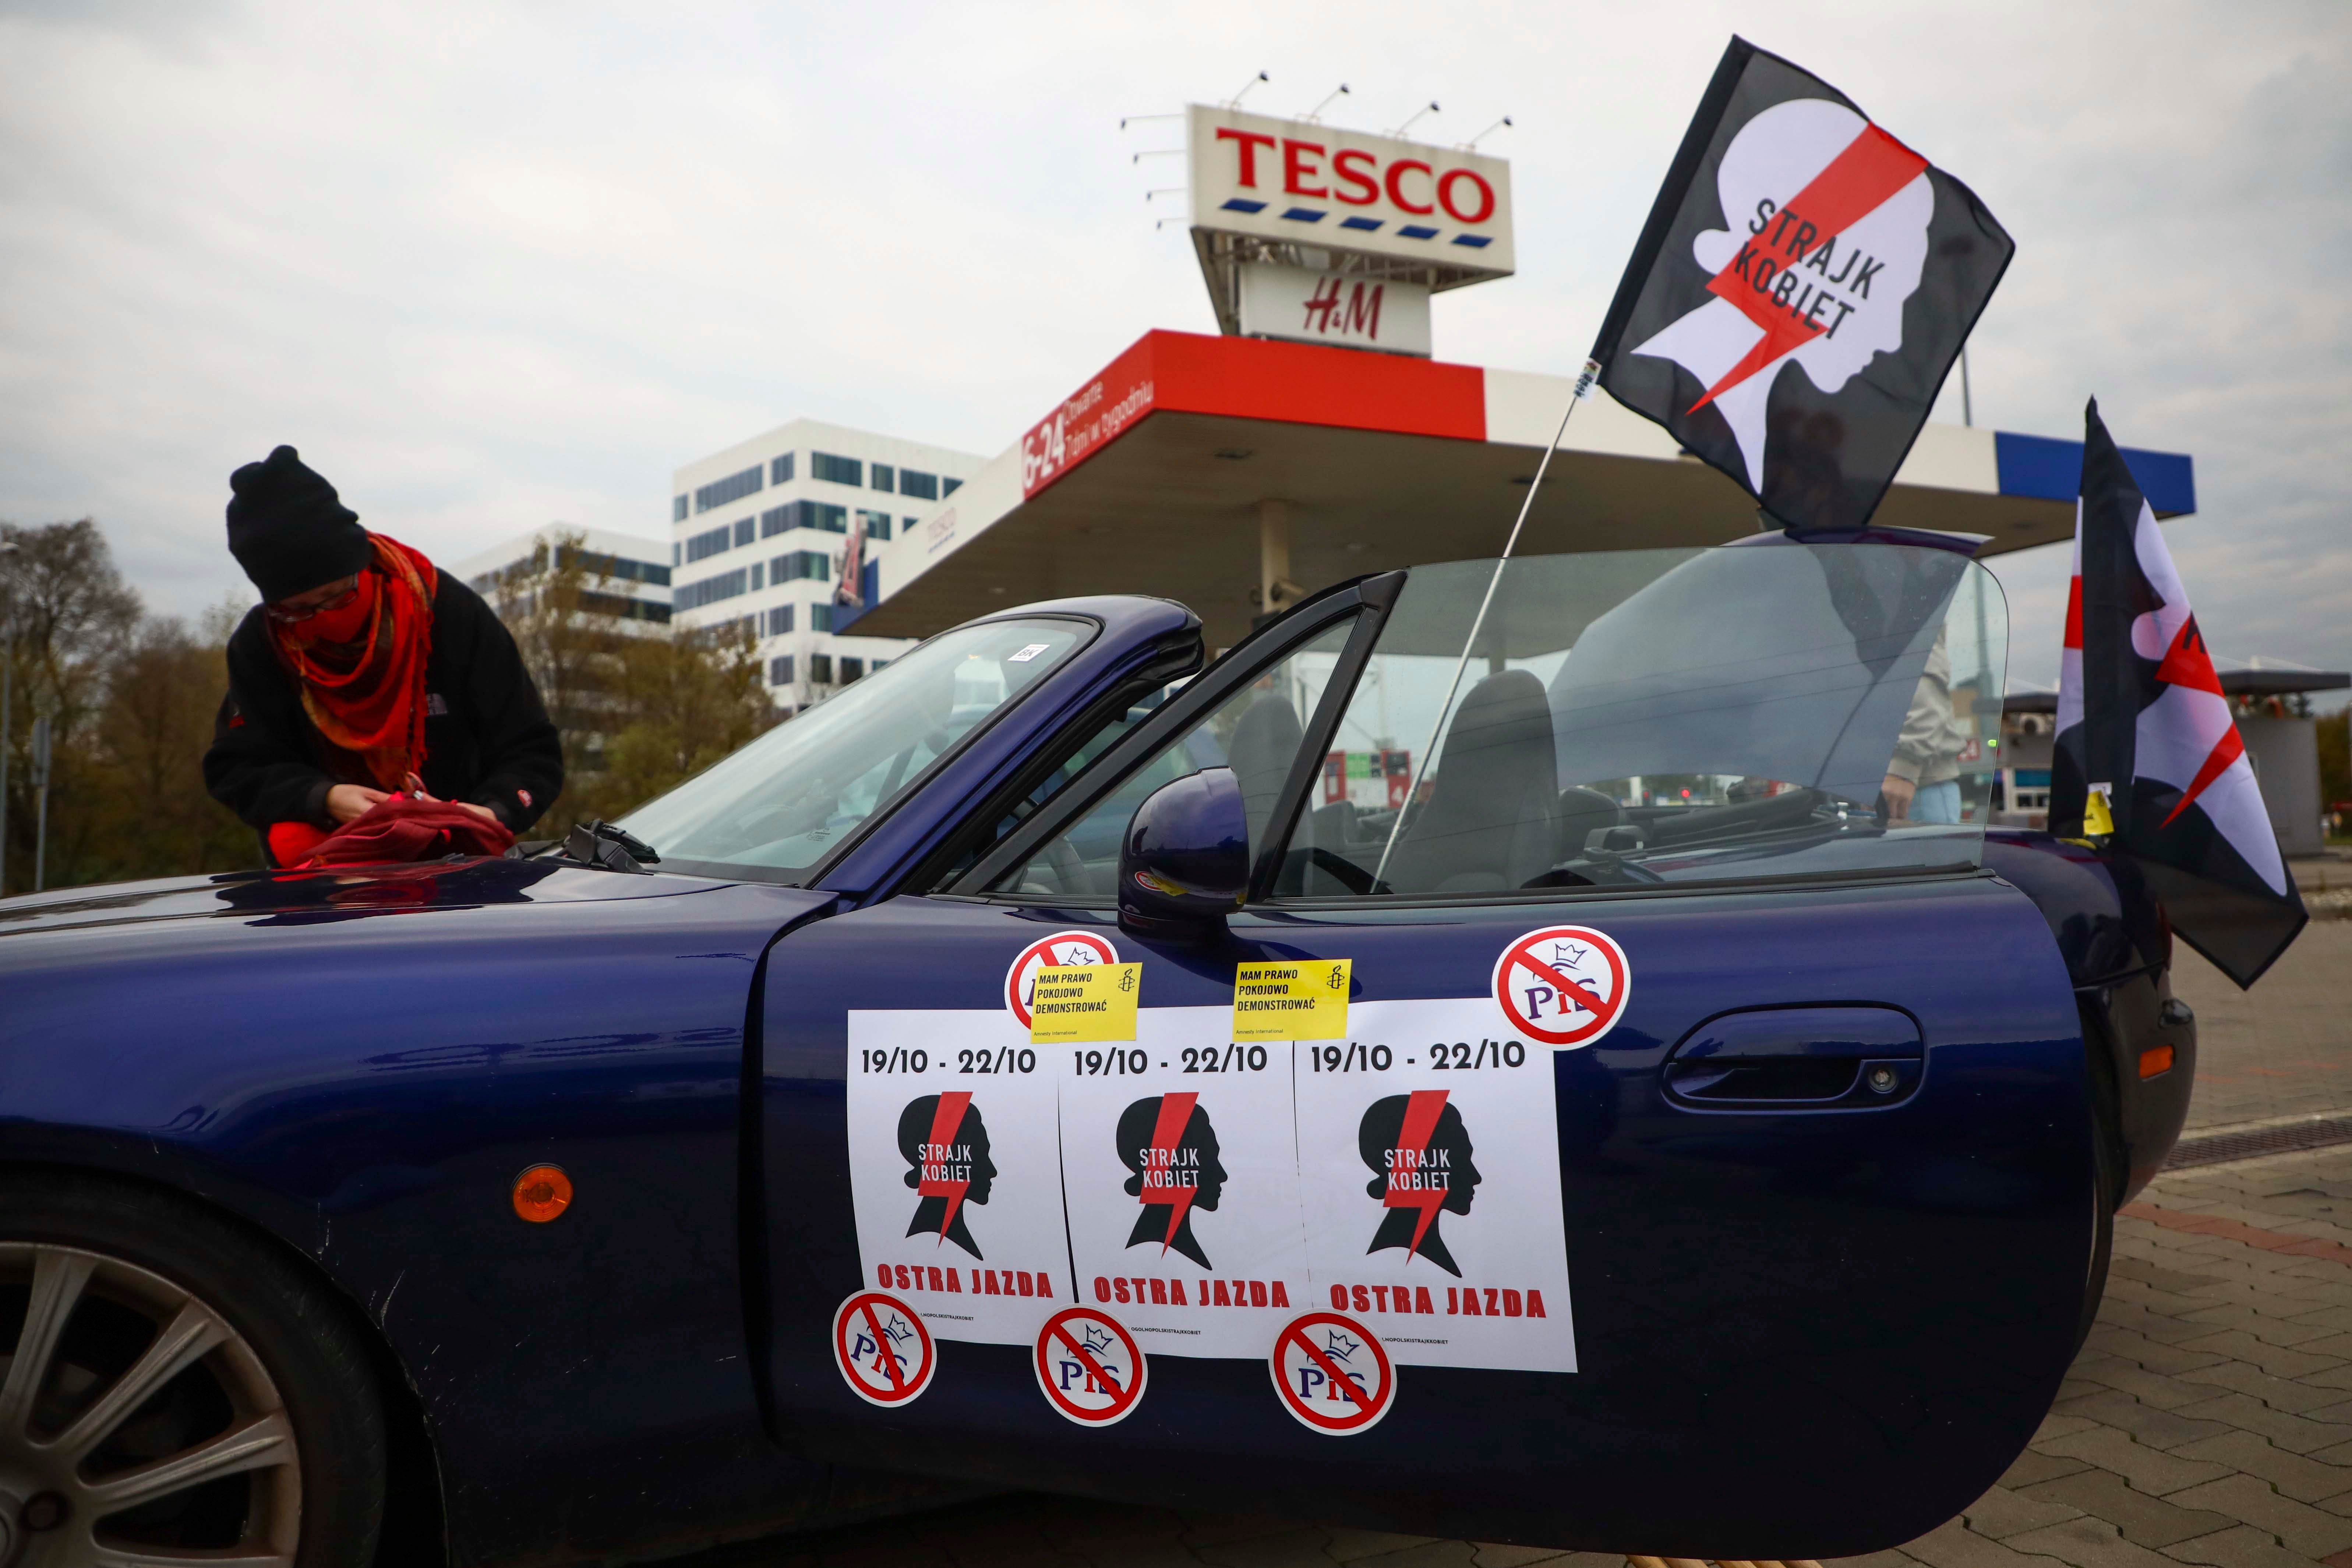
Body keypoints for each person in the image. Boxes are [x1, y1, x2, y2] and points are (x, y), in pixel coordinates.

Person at [204, 445, 563, 866]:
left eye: (338, 596)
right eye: (298, 610)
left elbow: (532, 750)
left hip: (463, 876)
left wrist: (487, 813)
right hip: (323, 883)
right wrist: (324, 798)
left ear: (365, 565)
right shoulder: (261, 643)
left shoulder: (449, 614)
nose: (323, 619)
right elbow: (236, 768)